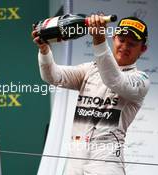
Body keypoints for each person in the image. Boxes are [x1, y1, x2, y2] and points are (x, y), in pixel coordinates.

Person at [32, 15, 150, 175]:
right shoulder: (90, 69)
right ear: (114, 38)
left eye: (132, 44)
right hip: (76, 155)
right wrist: (44, 50)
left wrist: (99, 39)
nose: (124, 46)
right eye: (121, 40)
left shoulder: (141, 80)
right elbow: (53, 76)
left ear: (143, 49)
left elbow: (113, 79)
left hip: (106, 159)